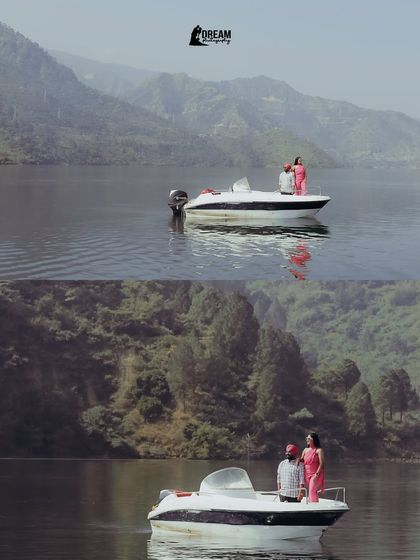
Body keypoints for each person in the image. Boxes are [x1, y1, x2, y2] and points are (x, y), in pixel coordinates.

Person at [301, 432, 325, 502]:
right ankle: (316, 505)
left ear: (314, 440)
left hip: (316, 474)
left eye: (309, 438)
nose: (307, 440)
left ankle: (312, 505)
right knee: (312, 490)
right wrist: (296, 460)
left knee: (311, 490)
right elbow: (302, 460)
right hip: (307, 474)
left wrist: (316, 474)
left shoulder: (319, 450)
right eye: (306, 438)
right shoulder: (305, 450)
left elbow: (322, 464)